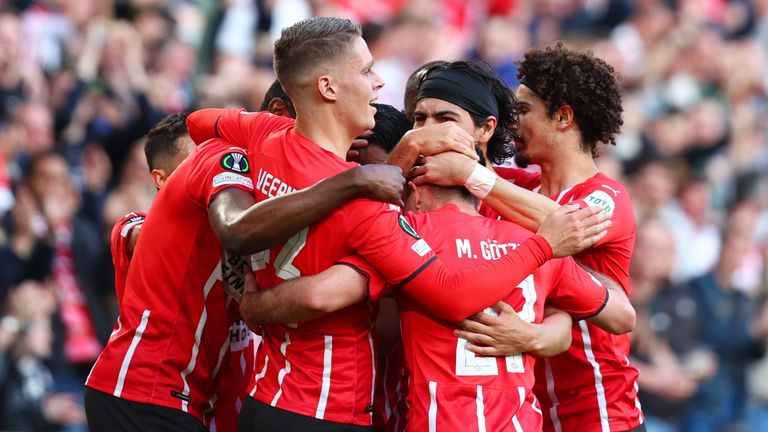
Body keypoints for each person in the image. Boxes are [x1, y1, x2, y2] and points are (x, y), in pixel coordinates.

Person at [186, 17, 610, 431]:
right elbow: (332, 290)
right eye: (418, 120)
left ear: (486, 130)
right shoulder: (387, 210)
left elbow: (608, 311)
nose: (427, 132)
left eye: (444, 120)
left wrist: (535, 336)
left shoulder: (514, 201)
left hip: (303, 396)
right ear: (328, 88)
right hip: (353, 404)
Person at [84, 112, 407, 431]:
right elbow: (235, 230)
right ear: (163, 179)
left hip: (195, 400)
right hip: (147, 393)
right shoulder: (209, 172)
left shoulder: (268, 217)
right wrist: (348, 181)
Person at [410, 43, 644, 431]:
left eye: (522, 111)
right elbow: (471, 168)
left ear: (564, 117)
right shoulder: (516, 188)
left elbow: (568, 224)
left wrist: (470, 174)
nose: (512, 123)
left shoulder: (607, 197)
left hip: (601, 412)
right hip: (531, 411)